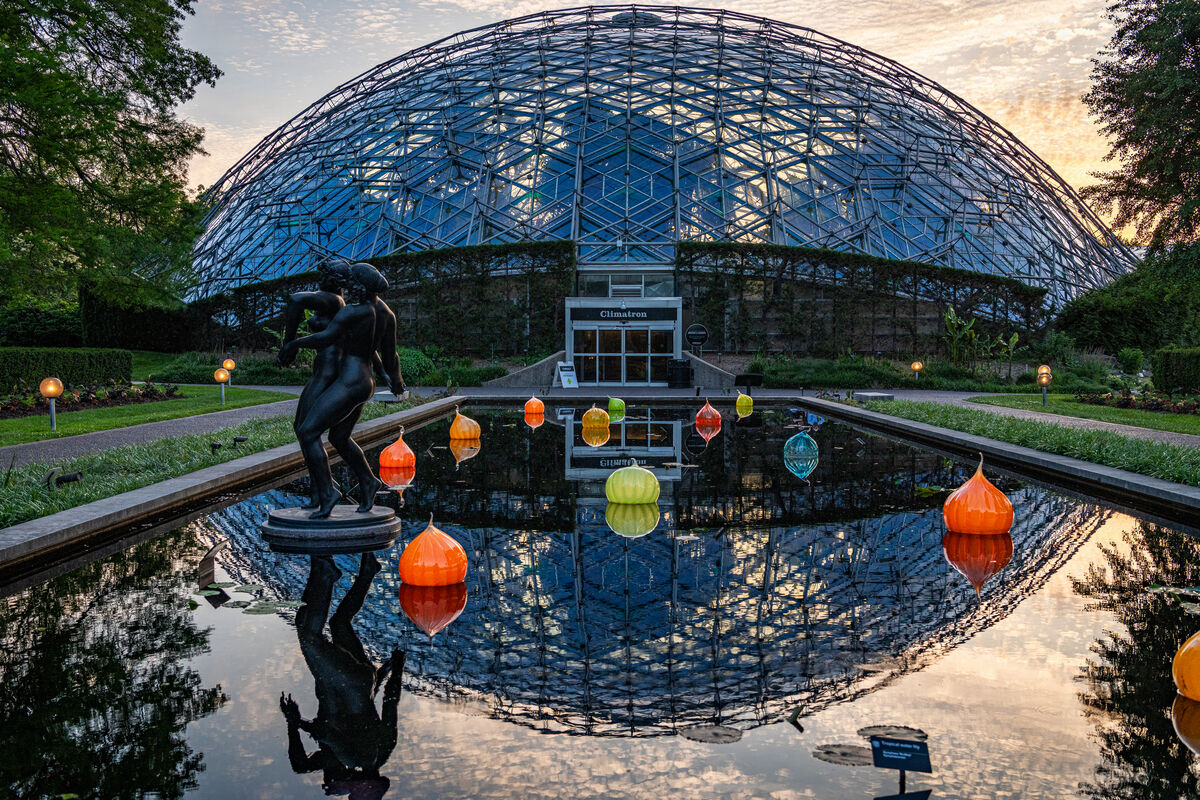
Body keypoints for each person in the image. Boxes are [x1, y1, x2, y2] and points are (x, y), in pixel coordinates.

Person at [279, 262, 402, 518]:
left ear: (357, 285)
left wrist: (293, 344)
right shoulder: (386, 313)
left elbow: (326, 338)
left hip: (349, 382)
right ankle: (368, 482)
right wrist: (396, 380)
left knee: (308, 431)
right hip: (366, 382)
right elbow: (391, 357)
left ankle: (327, 493)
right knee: (339, 438)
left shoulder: (353, 312)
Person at [280, 554, 404, 800]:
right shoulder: (350, 757)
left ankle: (367, 570)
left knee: (339, 623)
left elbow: (390, 702)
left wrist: (395, 668)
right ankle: (325, 574)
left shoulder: (385, 749)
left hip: (363, 681)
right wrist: (295, 723)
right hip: (345, 682)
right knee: (309, 637)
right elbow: (326, 736)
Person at [281, 260, 349, 509]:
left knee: (305, 430)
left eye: (323, 275)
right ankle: (321, 491)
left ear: (332, 279)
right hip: (324, 369)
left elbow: (296, 299)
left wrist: (288, 344)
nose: (318, 279)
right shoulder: (333, 300)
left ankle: (327, 490)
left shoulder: (333, 300)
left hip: (328, 372)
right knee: (304, 430)